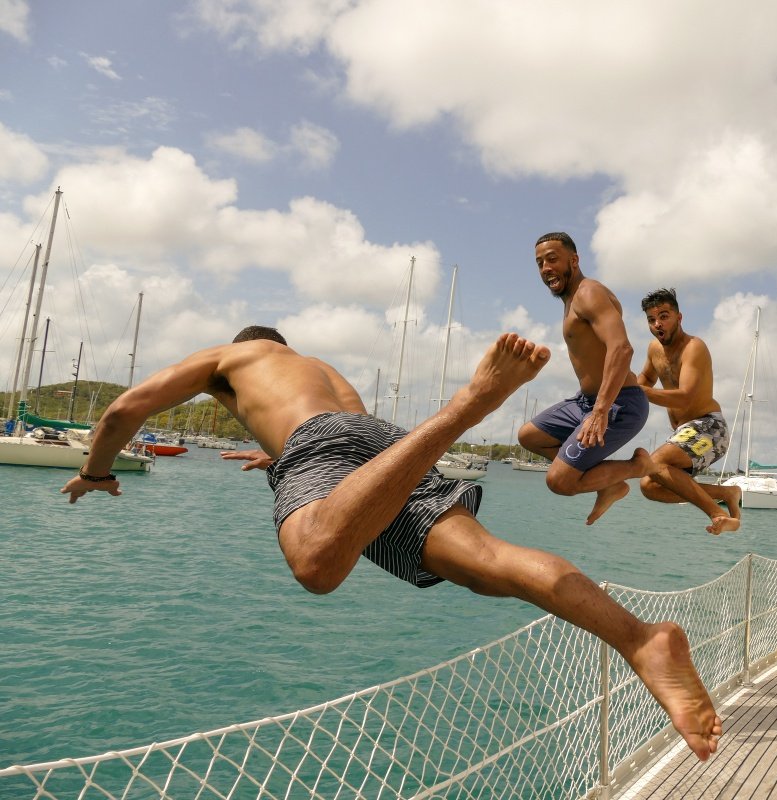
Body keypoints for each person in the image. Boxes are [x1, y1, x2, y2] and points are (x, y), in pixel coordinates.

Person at [61, 325, 721, 761]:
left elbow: (125, 412)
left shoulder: (228, 358)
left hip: (329, 449)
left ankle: (468, 407)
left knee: (317, 563)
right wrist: (280, 457)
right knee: (490, 564)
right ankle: (642, 639)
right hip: (382, 443)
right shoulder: (315, 368)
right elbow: (342, 435)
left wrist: (96, 472)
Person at [518, 232, 653, 525]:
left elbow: (622, 348)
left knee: (560, 483)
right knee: (529, 436)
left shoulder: (588, 293)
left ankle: (635, 466)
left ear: (574, 260)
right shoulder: (571, 300)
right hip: (585, 402)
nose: (545, 269)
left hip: (619, 404)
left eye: (553, 259)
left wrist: (600, 411)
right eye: (540, 263)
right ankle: (609, 483)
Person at [636, 289, 741, 534]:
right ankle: (726, 494)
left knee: (654, 462)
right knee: (648, 486)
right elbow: (643, 381)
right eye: (651, 320)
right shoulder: (654, 350)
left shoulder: (694, 347)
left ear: (679, 317)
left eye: (664, 316)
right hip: (684, 433)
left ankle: (718, 514)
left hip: (710, 429)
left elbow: (685, 398)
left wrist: (638, 391)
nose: (657, 324)